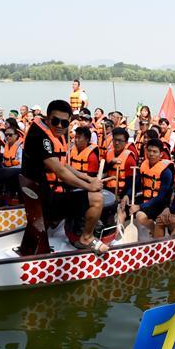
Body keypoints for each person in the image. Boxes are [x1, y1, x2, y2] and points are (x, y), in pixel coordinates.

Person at [20, 99, 108, 255]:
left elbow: (63, 165)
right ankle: (86, 238)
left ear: (69, 122)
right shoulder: (40, 135)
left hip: (37, 194)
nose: (60, 126)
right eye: (55, 121)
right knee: (96, 198)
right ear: (48, 118)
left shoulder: (50, 131)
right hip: (44, 199)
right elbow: (59, 171)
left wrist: (87, 178)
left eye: (64, 123)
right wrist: (89, 186)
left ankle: (50, 229)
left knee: (82, 192)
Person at [127, 138, 174, 238]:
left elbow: (161, 197)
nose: (151, 154)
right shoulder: (144, 165)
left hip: (159, 203)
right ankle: (120, 236)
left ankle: (154, 230)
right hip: (146, 199)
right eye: (149, 151)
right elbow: (137, 184)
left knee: (140, 216)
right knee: (121, 207)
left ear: (161, 154)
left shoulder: (166, 172)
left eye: (155, 152)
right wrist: (127, 196)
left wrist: (140, 206)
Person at [105, 127, 137, 197]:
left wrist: (122, 196)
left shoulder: (129, 158)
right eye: (115, 140)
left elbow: (130, 182)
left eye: (120, 140)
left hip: (120, 192)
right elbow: (104, 170)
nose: (116, 143)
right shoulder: (108, 153)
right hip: (107, 190)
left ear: (126, 142)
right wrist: (111, 163)